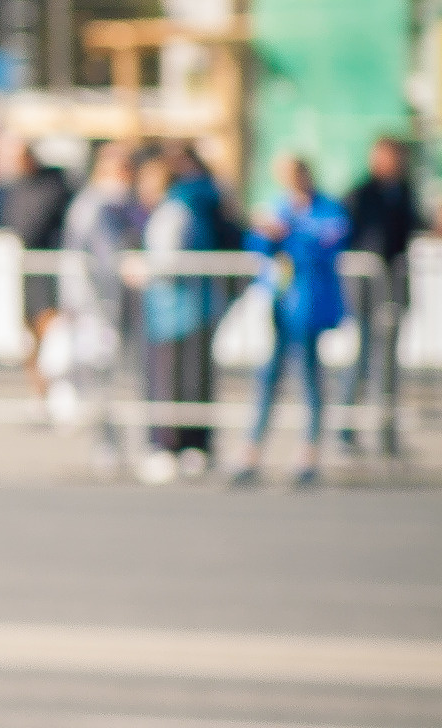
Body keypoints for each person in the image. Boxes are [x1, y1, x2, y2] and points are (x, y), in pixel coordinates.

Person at [232, 152, 350, 489]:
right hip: (281, 302)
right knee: (268, 377)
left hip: (311, 304)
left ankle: (308, 453)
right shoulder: (279, 206)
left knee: (310, 378)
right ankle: (251, 450)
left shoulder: (324, 208)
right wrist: (268, 234)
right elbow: (256, 246)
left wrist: (290, 233)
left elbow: (329, 242)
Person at [134, 148, 220, 482]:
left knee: (173, 381)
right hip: (185, 308)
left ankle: (172, 447)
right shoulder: (186, 205)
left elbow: (169, 261)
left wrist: (144, 270)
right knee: (187, 379)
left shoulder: (173, 211)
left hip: (175, 310)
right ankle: (190, 446)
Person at [340, 136, 423, 458]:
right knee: (362, 355)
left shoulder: (403, 191)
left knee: (388, 361)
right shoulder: (363, 193)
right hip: (366, 286)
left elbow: (411, 230)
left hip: (394, 283)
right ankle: (347, 429)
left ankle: (385, 433)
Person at [57, 141, 139, 465]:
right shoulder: (97, 205)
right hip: (97, 307)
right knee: (102, 378)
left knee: (108, 379)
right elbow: (101, 258)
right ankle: (105, 448)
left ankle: (108, 446)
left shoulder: (110, 205)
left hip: (102, 305)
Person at [0, 135, 73, 400]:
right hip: (26, 271)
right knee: (29, 338)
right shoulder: (20, 187)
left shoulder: (52, 187)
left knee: (50, 334)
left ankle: (56, 396)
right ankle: (39, 395)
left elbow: (31, 227)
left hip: (47, 272)